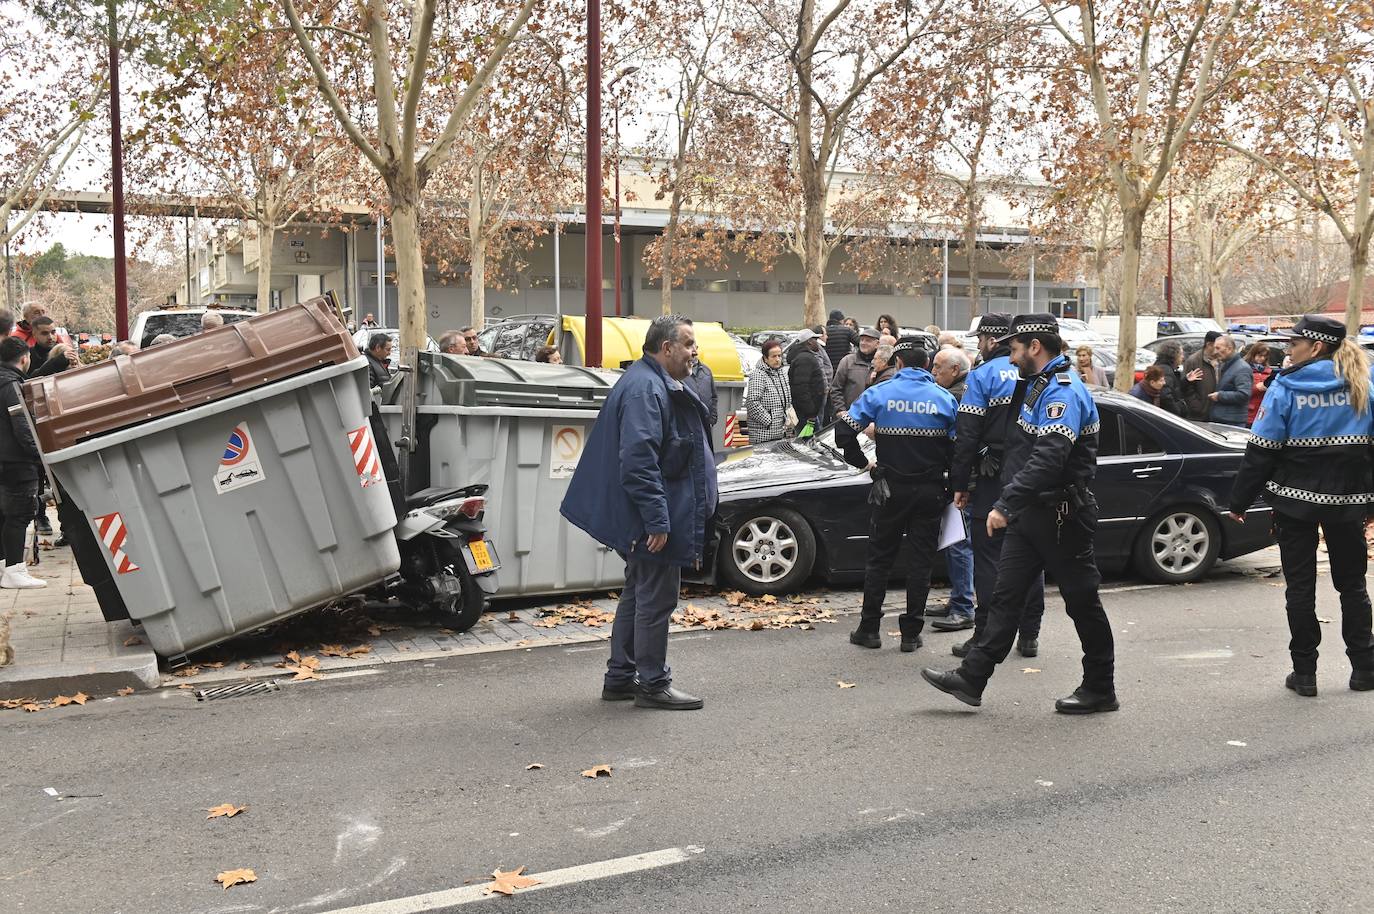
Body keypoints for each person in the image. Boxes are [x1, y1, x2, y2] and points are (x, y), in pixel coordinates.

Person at [923, 313, 1116, 713]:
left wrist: (1004, 504)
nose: (1009, 359)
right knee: (1006, 598)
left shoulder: (1063, 391)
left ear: (1034, 347)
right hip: (1032, 514)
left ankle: (1100, 687)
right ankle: (972, 678)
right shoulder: (1036, 387)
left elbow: (1048, 458)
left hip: (1062, 517)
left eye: (1013, 350)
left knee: (1082, 603)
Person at [560, 314, 716, 710]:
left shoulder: (647, 383)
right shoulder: (647, 389)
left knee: (638, 593)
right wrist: (658, 520)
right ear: (666, 348)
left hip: (647, 514)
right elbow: (639, 461)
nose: (694, 351)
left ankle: (621, 676)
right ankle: (651, 683)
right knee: (655, 599)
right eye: (688, 344)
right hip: (651, 519)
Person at [1227, 315, 1374, 697]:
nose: (1288, 349)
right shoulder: (1363, 384)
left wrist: (1239, 501)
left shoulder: (1286, 387)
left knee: (1301, 587)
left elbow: (1261, 451)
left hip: (1295, 503)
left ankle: (1305, 674)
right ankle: (1364, 669)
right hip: (1349, 503)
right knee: (1352, 585)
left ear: (1316, 346)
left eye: (1294, 343)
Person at [835, 338, 958, 652]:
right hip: (930, 491)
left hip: (889, 489)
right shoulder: (944, 399)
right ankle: (911, 634)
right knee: (921, 562)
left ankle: (869, 629)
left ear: (898, 363)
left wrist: (866, 465)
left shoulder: (880, 394)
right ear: (927, 365)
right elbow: (961, 447)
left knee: (879, 560)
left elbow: (843, 433)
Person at [943, 313, 1045, 660]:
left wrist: (961, 482)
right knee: (1031, 553)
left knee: (988, 557)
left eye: (979, 339)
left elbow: (967, 434)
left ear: (991, 339)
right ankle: (1029, 634)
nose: (977, 345)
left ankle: (984, 633)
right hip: (1033, 475)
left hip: (993, 476)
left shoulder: (982, 375)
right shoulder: (1038, 373)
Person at [927, 348, 977, 632]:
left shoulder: (956, 397)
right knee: (955, 542)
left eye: (938, 368)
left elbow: (958, 446)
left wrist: (960, 484)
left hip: (963, 482)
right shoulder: (961, 390)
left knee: (959, 544)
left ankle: (963, 608)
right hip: (961, 479)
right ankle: (960, 598)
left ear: (955, 370)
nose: (934, 373)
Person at [0, 338, 46, 589]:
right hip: (16, 461)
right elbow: (22, 425)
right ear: (25, 358)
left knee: (3, 514)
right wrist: (37, 454)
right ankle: (15, 570)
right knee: (19, 515)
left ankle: (4, 565)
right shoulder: (12, 386)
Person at [745, 338, 794, 444]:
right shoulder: (758, 375)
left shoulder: (782, 373)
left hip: (781, 433)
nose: (777, 359)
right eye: (774, 356)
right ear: (765, 358)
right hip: (763, 435)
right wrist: (769, 421)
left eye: (779, 356)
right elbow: (752, 403)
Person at [829, 327, 881, 414]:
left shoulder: (882, 364)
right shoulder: (847, 361)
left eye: (868, 340)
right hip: (849, 416)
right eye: (862, 340)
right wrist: (840, 410)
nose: (863, 343)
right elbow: (836, 388)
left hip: (874, 417)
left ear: (877, 344)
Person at [787, 328, 827, 434]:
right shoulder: (805, 359)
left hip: (808, 413)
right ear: (809, 341)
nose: (817, 343)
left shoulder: (804, 357)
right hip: (807, 415)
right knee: (809, 442)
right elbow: (801, 388)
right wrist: (811, 413)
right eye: (815, 339)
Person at [1208, 334, 1252, 425]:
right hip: (1221, 419)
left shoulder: (1242, 368)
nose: (1215, 352)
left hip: (1232, 422)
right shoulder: (1223, 365)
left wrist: (1220, 396)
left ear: (1229, 348)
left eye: (1218, 348)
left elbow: (1244, 394)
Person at [1182, 330, 1222, 419]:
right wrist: (1196, 406)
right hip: (1200, 414)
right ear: (1209, 345)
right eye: (1217, 347)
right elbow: (1186, 387)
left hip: (1218, 411)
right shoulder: (1193, 361)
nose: (1220, 350)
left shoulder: (1222, 359)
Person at [1151, 341, 1188, 416]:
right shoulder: (1166, 371)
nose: (1183, 357)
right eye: (1180, 354)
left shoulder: (1162, 367)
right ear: (1173, 355)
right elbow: (1165, 396)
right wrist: (1177, 410)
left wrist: (1186, 381)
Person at [684, 353, 719, 432]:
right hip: (688, 424)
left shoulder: (706, 370)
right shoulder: (681, 370)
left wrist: (712, 418)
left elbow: (714, 397)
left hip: (706, 423)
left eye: (694, 347)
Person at [1242, 342, 1273, 426]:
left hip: (1263, 413)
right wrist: (1257, 388)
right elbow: (1241, 391)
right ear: (1253, 354)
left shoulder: (1268, 371)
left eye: (1265, 356)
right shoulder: (1244, 368)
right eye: (1260, 355)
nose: (1262, 358)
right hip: (1248, 414)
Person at [824, 309, 857, 374]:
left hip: (827, 368)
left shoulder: (824, 331)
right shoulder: (847, 331)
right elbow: (860, 343)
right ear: (841, 320)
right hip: (843, 368)